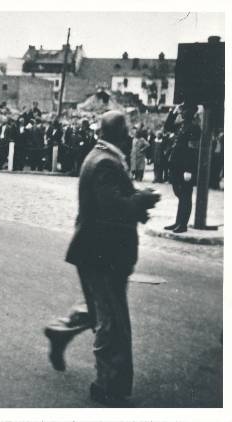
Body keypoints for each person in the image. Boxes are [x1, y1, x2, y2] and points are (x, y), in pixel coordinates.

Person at [43, 110, 160, 406]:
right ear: (117, 133)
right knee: (112, 321)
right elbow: (112, 207)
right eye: (126, 130)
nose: (130, 134)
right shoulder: (106, 161)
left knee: (102, 308)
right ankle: (107, 385)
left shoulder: (100, 155)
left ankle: (61, 332)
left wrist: (136, 203)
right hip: (103, 251)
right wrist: (140, 201)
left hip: (98, 250)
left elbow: (111, 202)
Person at [163, 103, 200, 233]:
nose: (182, 113)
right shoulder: (181, 126)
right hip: (176, 165)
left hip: (185, 167)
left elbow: (193, 150)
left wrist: (189, 170)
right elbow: (167, 127)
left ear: (191, 113)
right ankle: (178, 222)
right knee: (180, 194)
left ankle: (183, 224)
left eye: (184, 110)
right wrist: (173, 112)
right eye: (182, 110)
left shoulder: (195, 128)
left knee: (185, 195)